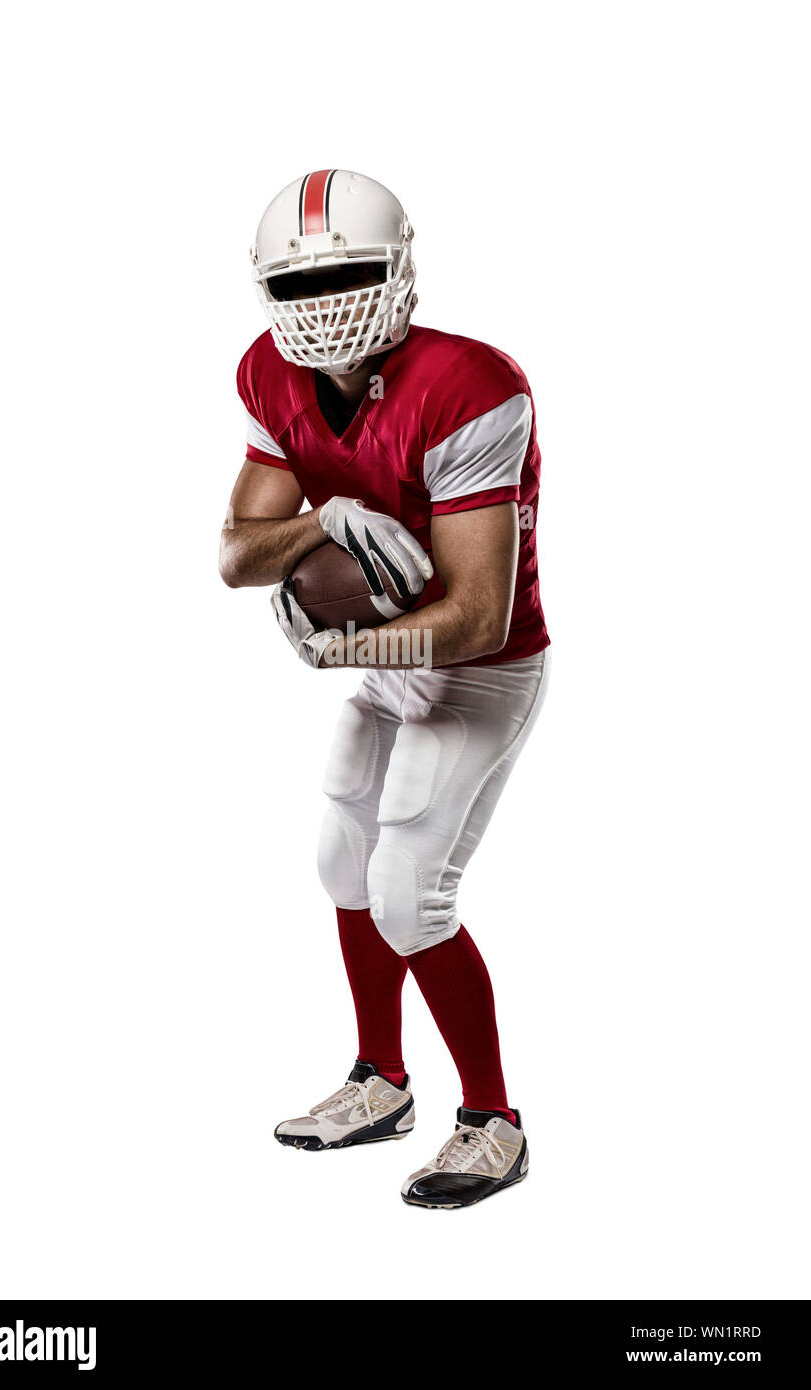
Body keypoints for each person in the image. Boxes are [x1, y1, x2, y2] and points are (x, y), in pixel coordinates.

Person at [219, 169, 550, 1208]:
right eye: (299, 284)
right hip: (386, 655)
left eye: (353, 272)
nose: (325, 305)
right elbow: (236, 553)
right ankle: (380, 1080)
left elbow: (478, 612)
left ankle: (493, 1120)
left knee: (413, 890)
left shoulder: (470, 382)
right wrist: (323, 524)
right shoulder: (266, 372)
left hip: (482, 670)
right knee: (341, 858)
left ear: (401, 265)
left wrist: (338, 647)